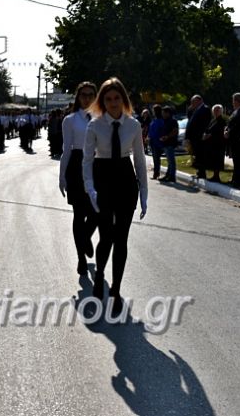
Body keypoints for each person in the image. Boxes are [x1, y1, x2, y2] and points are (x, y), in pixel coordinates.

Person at [82, 77, 148, 315]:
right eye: (108, 99)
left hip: (125, 178)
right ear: (102, 101)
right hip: (102, 179)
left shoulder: (133, 125)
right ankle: (99, 275)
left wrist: (144, 193)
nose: (112, 103)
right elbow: (87, 160)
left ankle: (116, 289)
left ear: (123, 99)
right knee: (106, 236)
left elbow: (139, 161)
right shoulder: (95, 125)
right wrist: (90, 188)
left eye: (116, 98)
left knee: (121, 239)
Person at [59, 81, 98, 275]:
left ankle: (85, 239)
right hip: (76, 164)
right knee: (79, 213)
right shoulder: (70, 120)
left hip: (97, 165)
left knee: (97, 213)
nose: (87, 98)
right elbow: (66, 149)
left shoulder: (103, 117)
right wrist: (61, 176)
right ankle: (81, 258)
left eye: (91, 94)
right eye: (84, 94)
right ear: (78, 97)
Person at [185, 94, 211, 178]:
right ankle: (200, 172)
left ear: (199, 101)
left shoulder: (205, 109)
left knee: (201, 155)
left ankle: (202, 173)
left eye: (193, 102)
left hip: (200, 137)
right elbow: (190, 122)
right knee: (197, 155)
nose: (192, 103)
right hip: (194, 137)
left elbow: (205, 123)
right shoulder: (195, 110)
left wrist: (203, 133)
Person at [202, 105, 227, 182]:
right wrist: (205, 134)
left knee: (217, 160)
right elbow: (208, 129)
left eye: (217, 110)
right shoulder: (213, 120)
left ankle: (216, 176)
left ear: (221, 112)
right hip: (211, 143)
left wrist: (210, 135)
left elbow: (219, 131)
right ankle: (214, 175)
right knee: (213, 160)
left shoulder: (222, 121)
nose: (216, 112)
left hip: (218, 143)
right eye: (214, 110)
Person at [159, 106, 179, 183]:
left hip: (170, 143)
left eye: (163, 113)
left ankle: (172, 176)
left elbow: (175, 131)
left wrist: (167, 137)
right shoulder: (165, 121)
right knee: (169, 161)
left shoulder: (173, 121)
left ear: (168, 113)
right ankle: (168, 175)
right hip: (165, 143)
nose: (162, 114)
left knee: (171, 161)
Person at [147, 104, 164, 180]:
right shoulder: (154, 120)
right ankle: (156, 173)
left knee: (157, 158)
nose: (153, 112)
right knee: (155, 158)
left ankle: (156, 173)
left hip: (157, 142)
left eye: (154, 110)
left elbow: (159, 131)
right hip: (152, 141)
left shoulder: (161, 120)